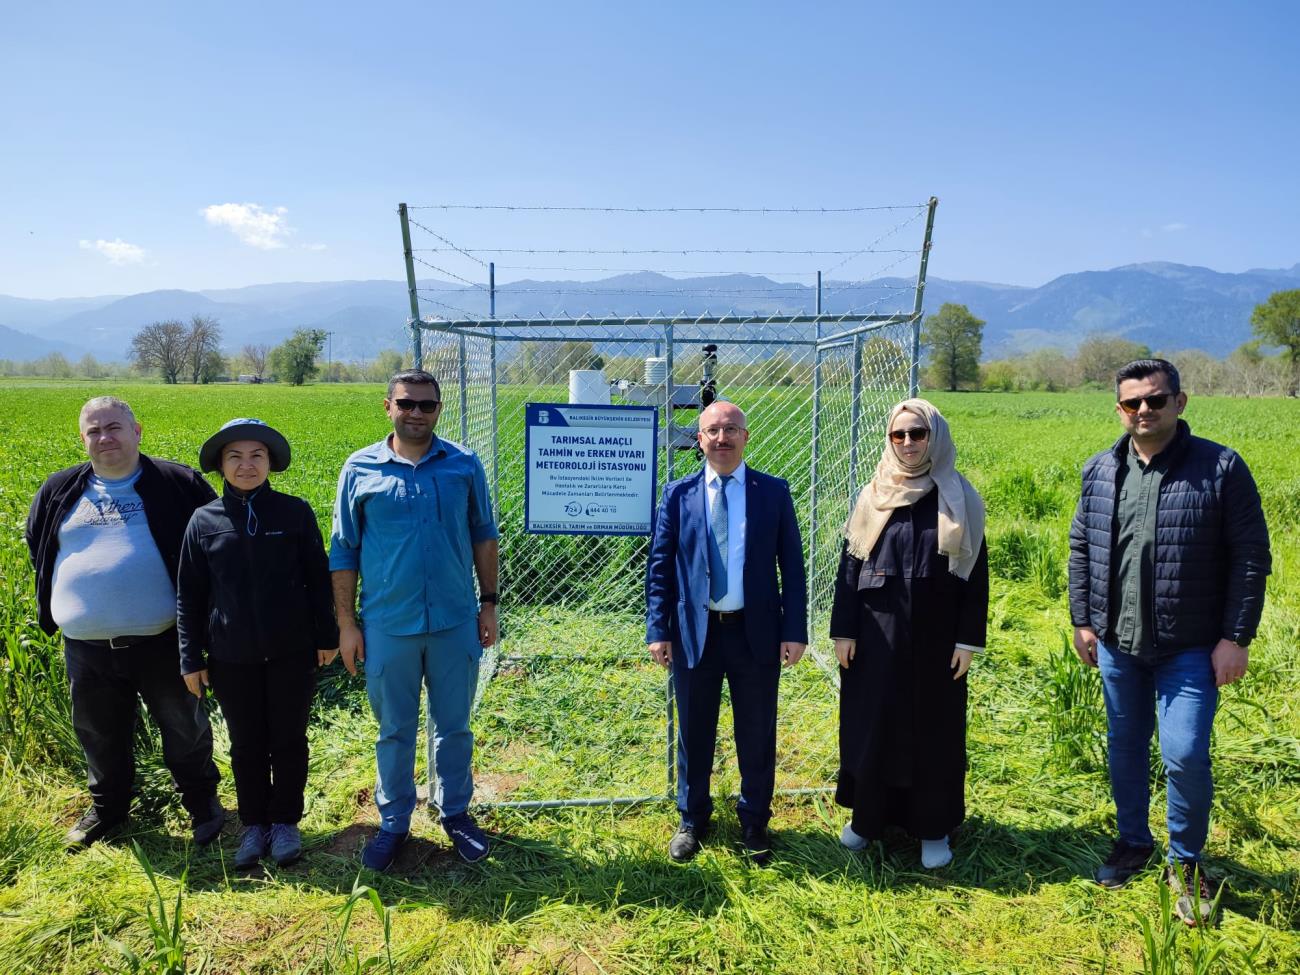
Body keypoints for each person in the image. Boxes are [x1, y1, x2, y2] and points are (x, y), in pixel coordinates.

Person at [1069, 358, 1270, 926]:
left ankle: (1186, 863)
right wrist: (1083, 620)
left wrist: (1235, 637)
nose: (1144, 412)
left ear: (1180, 402)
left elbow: (1251, 558)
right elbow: (1081, 548)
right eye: (1132, 403)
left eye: (1155, 400)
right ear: (1119, 409)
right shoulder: (1102, 469)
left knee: (1183, 754)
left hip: (1191, 646)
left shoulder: (1221, 468)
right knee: (1126, 748)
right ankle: (1133, 841)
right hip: (1117, 643)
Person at [25, 396, 224, 848]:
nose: (104, 438)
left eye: (113, 427)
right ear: (83, 438)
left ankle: (202, 803)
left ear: (137, 431)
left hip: (163, 642)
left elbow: (215, 547)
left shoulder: (178, 483)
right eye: (94, 431)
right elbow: (39, 546)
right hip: (87, 648)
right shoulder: (58, 490)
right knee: (98, 733)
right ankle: (109, 809)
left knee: (185, 728)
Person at [331, 370, 499, 871]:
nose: (417, 413)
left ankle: (456, 814)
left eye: (427, 405)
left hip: (453, 622)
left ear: (439, 409)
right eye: (407, 404)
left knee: (454, 727)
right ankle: (394, 823)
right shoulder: (359, 469)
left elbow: (483, 536)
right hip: (387, 625)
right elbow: (344, 550)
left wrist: (488, 603)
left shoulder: (463, 466)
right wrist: (346, 624)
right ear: (388, 406)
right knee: (394, 730)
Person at [646, 400, 808, 864]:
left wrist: (793, 630)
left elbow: (791, 568)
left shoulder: (772, 493)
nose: (722, 438)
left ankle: (755, 820)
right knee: (694, 728)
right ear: (699, 440)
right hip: (695, 633)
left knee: (756, 731)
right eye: (712, 430)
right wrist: (659, 629)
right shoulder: (678, 495)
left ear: (746, 437)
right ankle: (693, 818)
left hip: (755, 632)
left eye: (731, 429)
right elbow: (659, 567)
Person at [829, 399, 987, 869]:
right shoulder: (873, 494)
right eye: (899, 435)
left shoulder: (960, 497)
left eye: (917, 434)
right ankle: (866, 819)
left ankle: (932, 828)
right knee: (873, 724)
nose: (908, 443)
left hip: (937, 642)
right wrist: (843, 630)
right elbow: (849, 567)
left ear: (934, 436)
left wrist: (966, 640)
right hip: (875, 637)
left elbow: (976, 575)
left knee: (932, 731)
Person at [176, 419, 339, 870]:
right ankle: (253, 825)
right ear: (220, 466)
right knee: (246, 744)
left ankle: (285, 821)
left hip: (291, 651)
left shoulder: (294, 513)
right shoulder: (203, 521)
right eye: (235, 457)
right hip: (230, 656)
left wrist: (326, 636)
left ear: (270, 463)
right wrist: (191, 658)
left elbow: (316, 580)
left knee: (288, 739)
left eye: (256, 456)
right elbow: (189, 594)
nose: (246, 465)